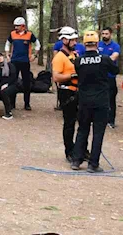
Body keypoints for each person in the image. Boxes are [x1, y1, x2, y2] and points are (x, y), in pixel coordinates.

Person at [71, 30, 119, 172]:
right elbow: (115, 70)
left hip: (84, 101)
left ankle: (76, 160)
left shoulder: (79, 61)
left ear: (84, 44)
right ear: (97, 43)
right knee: (98, 132)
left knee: (82, 130)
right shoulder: (104, 59)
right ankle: (93, 164)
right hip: (101, 101)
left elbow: (79, 73)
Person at [51, 26, 80, 163]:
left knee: (81, 122)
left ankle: (79, 149)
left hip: (77, 91)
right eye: (72, 40)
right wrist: (73, 74)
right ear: (64, 40)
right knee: (69, 123)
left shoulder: (74, 55)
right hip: (67, 92)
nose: (75, 43)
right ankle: (69, 151)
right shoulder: (59, 58)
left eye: (75, 40)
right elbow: (56, 77)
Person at [5, 17, 40, 110]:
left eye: (17, 26)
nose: (16, 27)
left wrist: (35, 55)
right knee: (13, 82)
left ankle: (27, 104)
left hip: (25, 61)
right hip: (14, 61)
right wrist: (7, 55)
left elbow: (37, 44)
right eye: (15, 26)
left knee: (26, 83)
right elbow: (7, 43)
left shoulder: (29, 34)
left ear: (23, 26)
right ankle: (12, 103)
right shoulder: (12, 34)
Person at [97, 27, 121, 129]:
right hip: (98, 76)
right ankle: (99, 119)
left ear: (110, 34)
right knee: (98, 98)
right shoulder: (98, 45)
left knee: (111, 99)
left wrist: (101, 60)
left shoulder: (115, 46)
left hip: (110, 77)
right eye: (103, 34)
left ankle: (111, 121)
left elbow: (113, 57)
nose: (104, 36)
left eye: (106, 34)